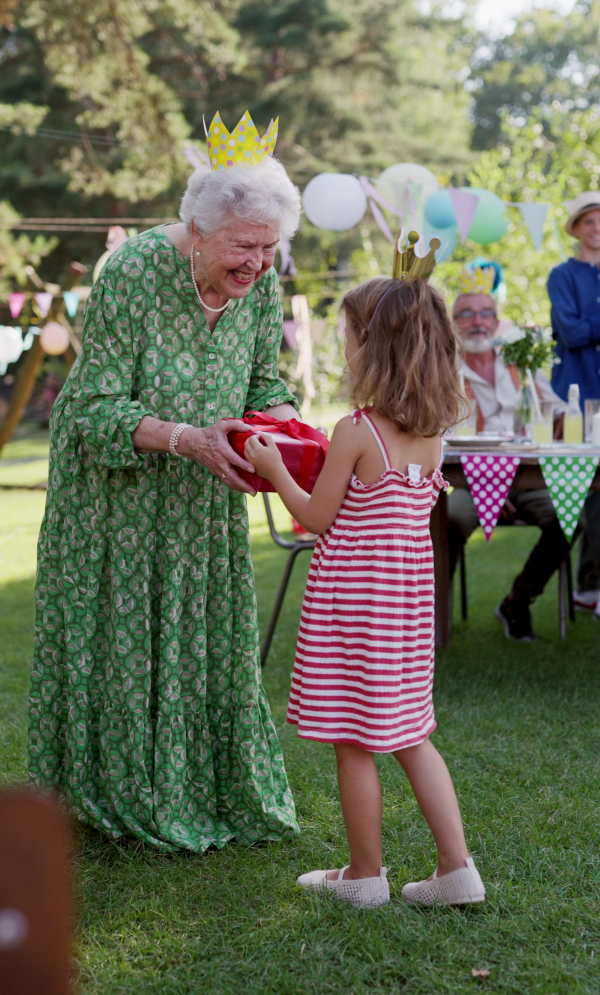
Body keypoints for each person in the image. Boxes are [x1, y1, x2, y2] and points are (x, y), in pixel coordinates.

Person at [29, 120, 303, 852]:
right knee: (125, 643)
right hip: (116, 497)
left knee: (203, 641)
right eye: (243, 245)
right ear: (197, 229)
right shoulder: (133, 273)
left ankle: (202, 787)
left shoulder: (262, 279)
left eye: (268, 245)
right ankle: (121, 794)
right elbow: (90, 409)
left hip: (204, 500)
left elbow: (265, 382)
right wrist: (188, 438)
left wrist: (291, 438)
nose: (257, 262)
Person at [245, 274, 485, 909]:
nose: (345, 346)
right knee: (410, 732)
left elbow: (319, 518)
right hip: (405, 607)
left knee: (354, 737)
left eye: (350, 335)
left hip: (355, 604)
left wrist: (273, 470)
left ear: (374, 347)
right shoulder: (432, 431)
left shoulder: (357, 430)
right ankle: (457, 868)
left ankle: (365, 875)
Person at [450, 270, 568, 643]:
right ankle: (432, 618)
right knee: (448, 519)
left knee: (568, 513)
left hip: (528, 480)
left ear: (498, 322)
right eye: (466, 314)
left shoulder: (521, 360)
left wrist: (564, 419)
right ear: (453, 324)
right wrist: (488, 490)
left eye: (486, 313)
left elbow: (560, 412)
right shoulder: (444, 370)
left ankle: (517, 601)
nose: (477, 321)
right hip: (467, 482)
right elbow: (435, 438)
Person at [547, 192, 600, 613]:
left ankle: (592, 582)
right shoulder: (562, 275)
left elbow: (585, 329)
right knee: (580, 487)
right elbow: (573, 334)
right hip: (577, 397)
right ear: (577, 228)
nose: (596, 227)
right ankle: (589, 584)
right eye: (589, 221)